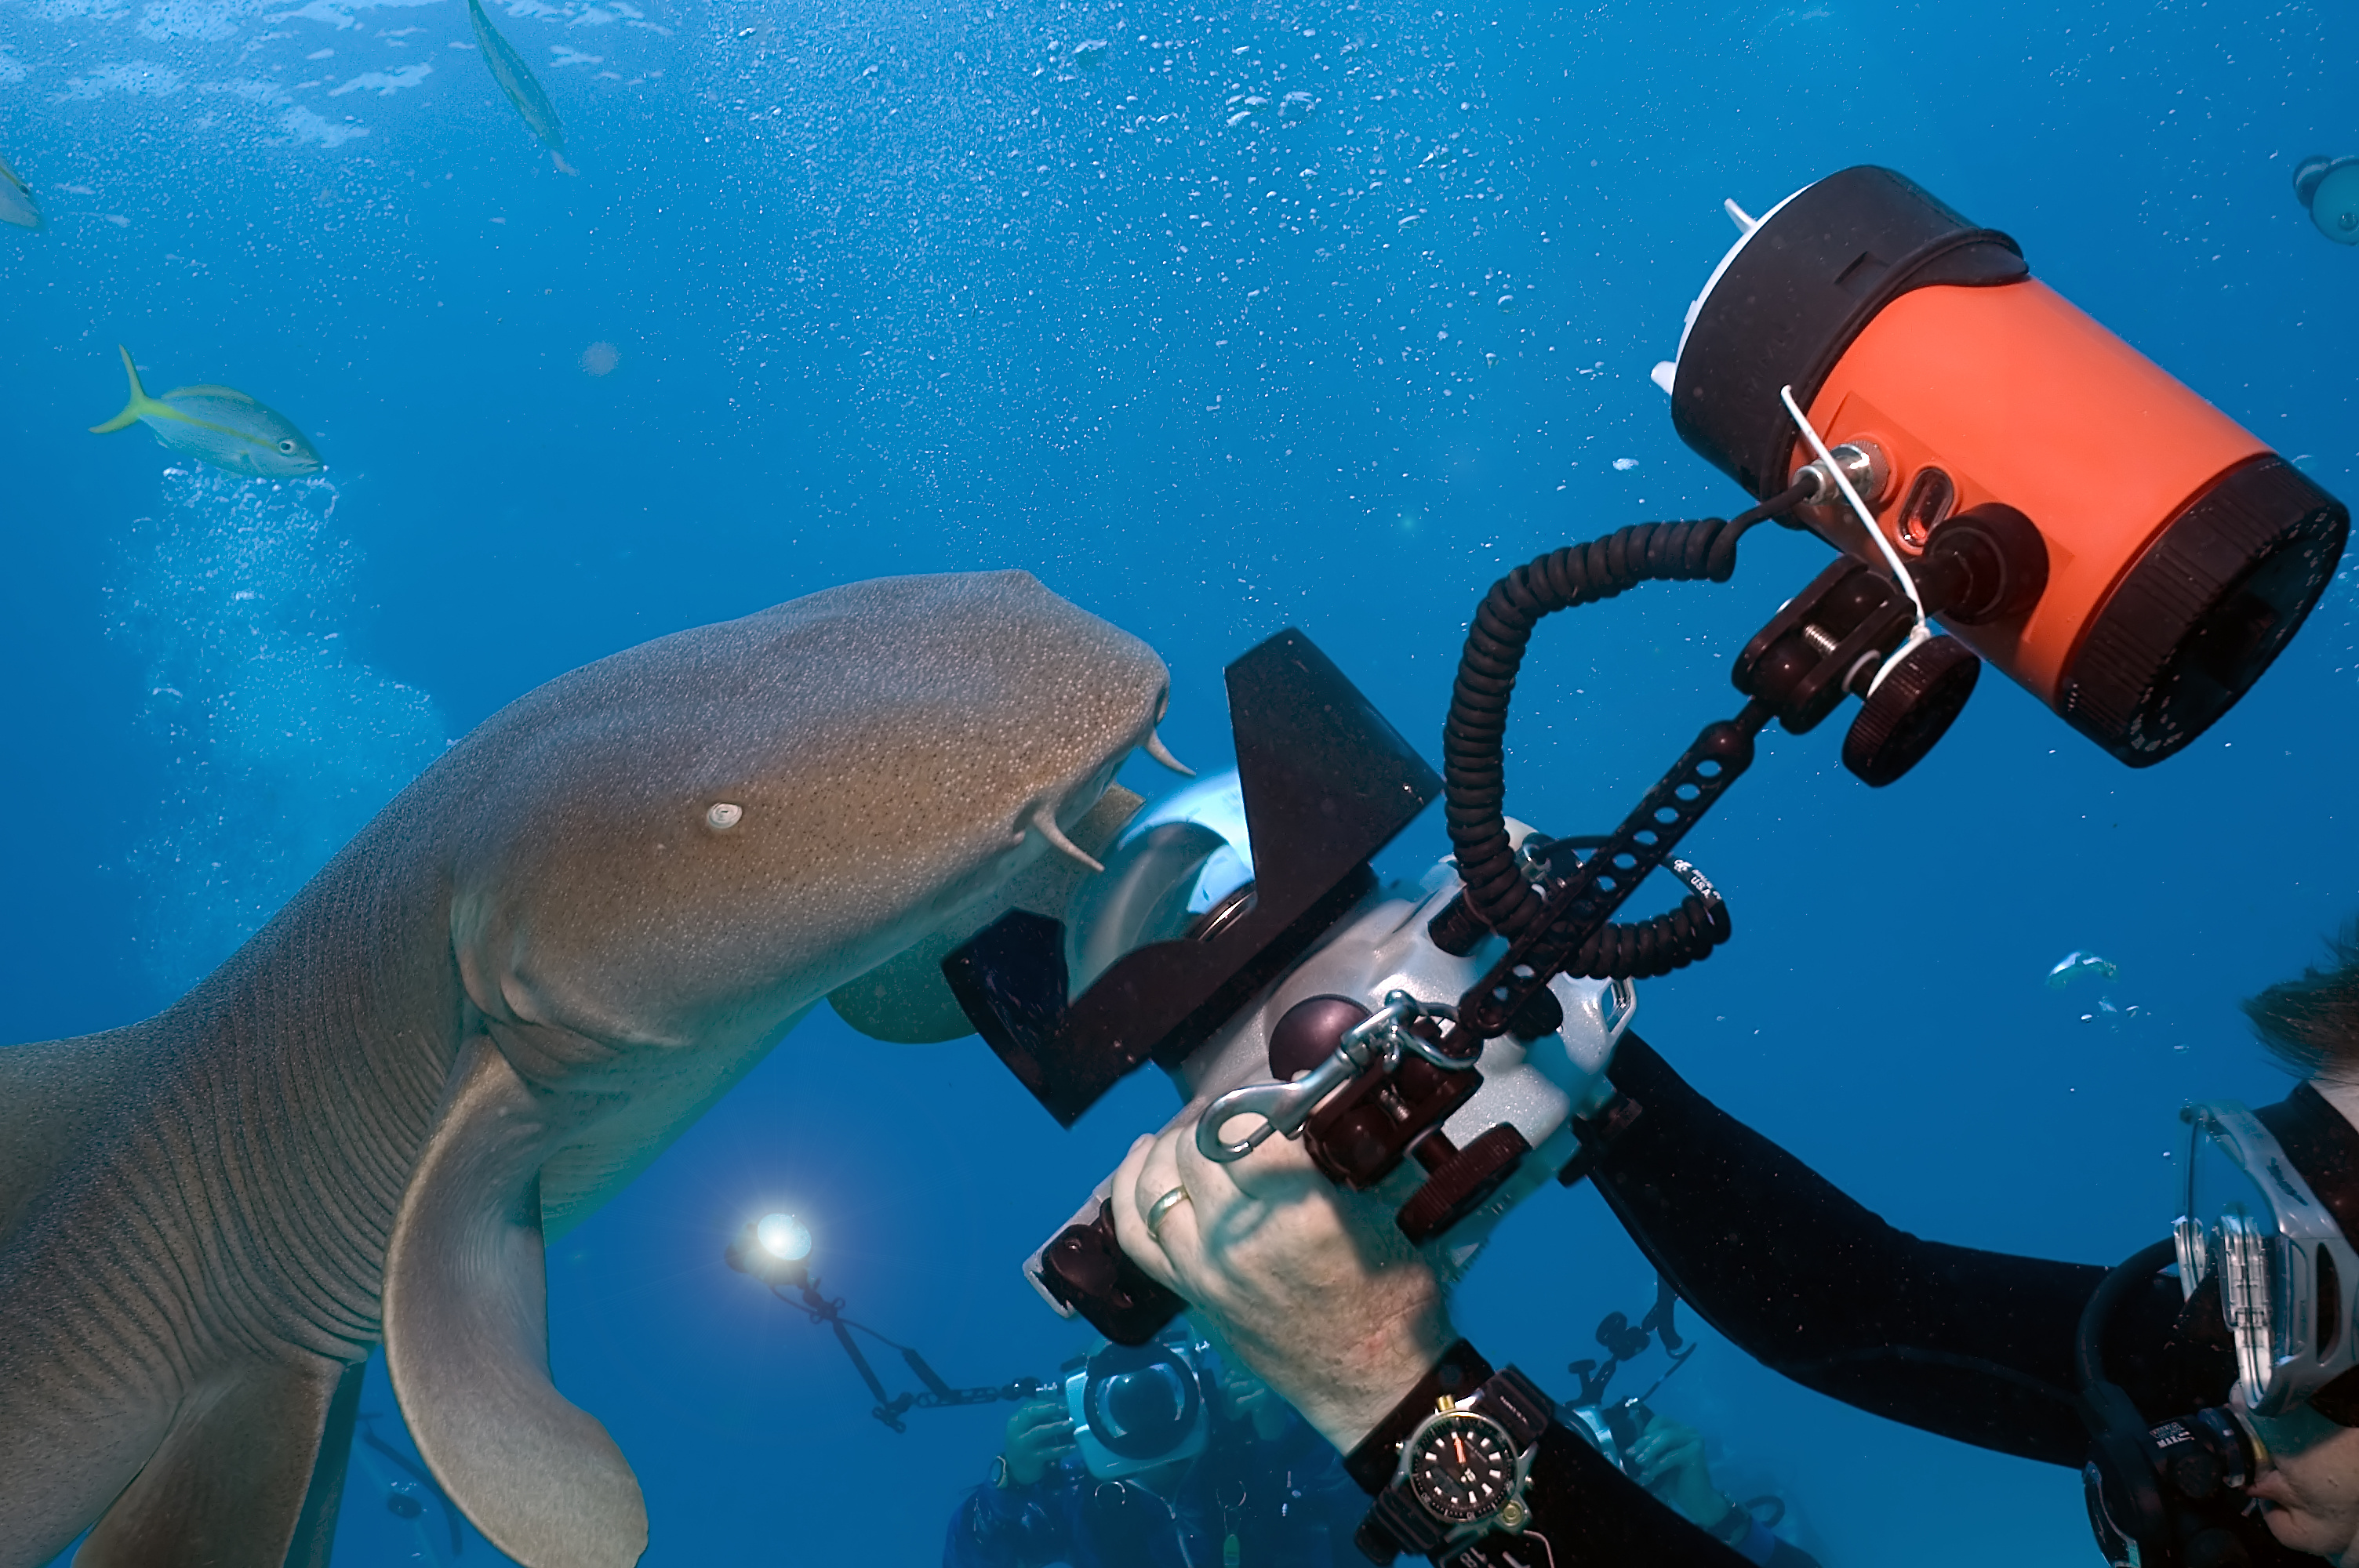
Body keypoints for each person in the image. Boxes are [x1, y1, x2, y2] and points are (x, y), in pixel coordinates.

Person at [1103, 923, 2359, 1566]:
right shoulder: (2274, 1394)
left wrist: (1390, 1390)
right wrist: (1554, 1062)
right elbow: (1861, 1309)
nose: (2247, 1360)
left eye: (2322, 1299)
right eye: (2270, 1255)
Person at [943, 1328, 1370, 1567]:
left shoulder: (1255, 1455)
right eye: (1121, 1397)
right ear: (1084, 1408)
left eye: (1156, 1386)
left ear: (1195, 1383)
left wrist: (1287, 1438)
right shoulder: (1078, 1501)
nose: (1142, 1404)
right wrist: (1009, 1484)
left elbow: (1365, 1530)